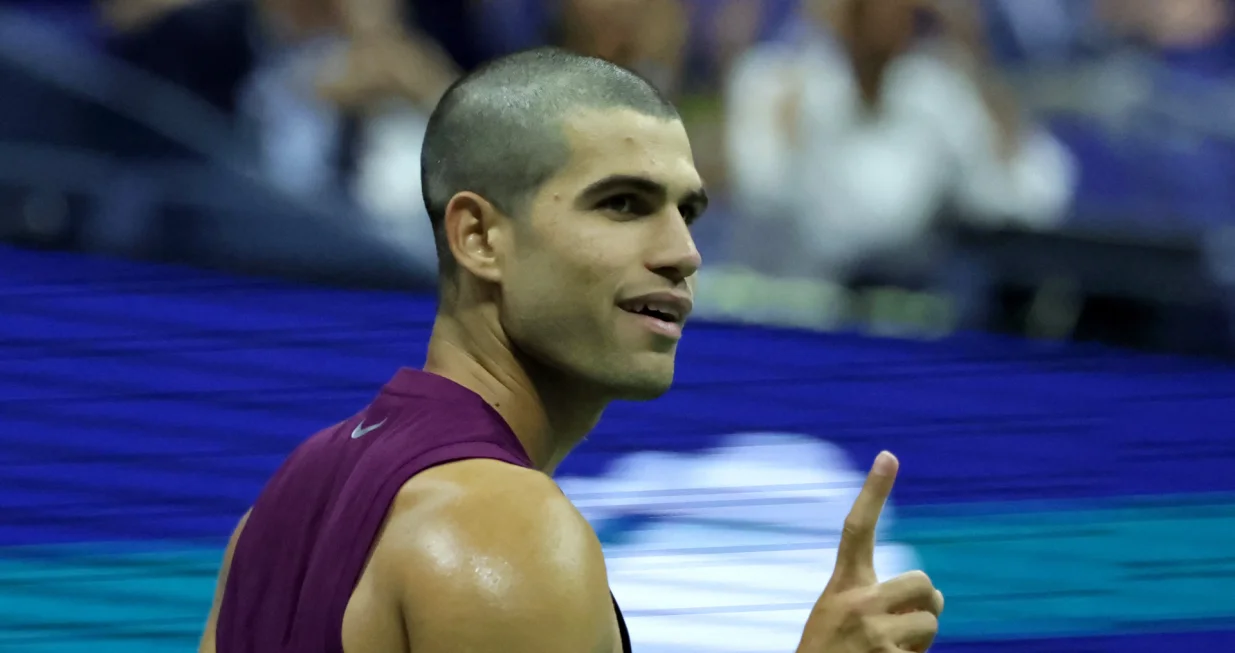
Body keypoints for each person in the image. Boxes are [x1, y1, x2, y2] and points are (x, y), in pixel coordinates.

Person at [198, 47, 944, 653]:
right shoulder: (507, 528)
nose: (683, 253)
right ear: (478, 237)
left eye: (686, 211)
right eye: (623, 203)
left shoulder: (273, 511)